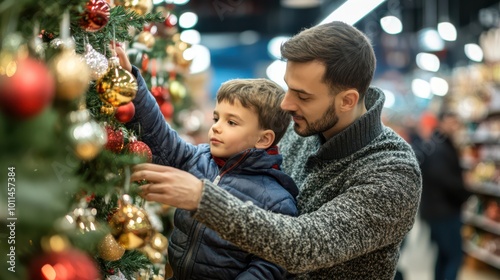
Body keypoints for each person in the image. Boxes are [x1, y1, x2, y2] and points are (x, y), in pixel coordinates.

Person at [127, 21, 422, 279]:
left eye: (302, 96)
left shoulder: (393, 171)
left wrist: (203, 199)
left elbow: (305, 245)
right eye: (288, 88)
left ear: (347, 100)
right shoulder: (302, 130)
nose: (286, 104)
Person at [119, 47, 299, 279]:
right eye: (216, 118)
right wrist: (133, 86)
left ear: (263, 139)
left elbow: (269, 267)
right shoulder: (199, 159)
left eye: (231, 122)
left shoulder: (277, 200)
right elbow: (159, 136)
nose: (216, 126)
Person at [417, 111, 471, 280]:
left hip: (437, 210)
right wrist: (466, 194)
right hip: (444, 212)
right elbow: (446, 181)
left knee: (443, 255)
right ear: (441, 123)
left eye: (457, 123)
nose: (454, 127)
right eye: (450, 122)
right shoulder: (439, 148)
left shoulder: (437, 144)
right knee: (454, 257)